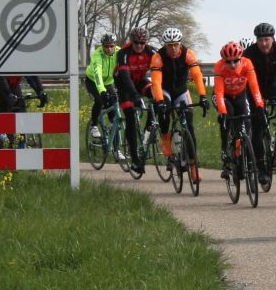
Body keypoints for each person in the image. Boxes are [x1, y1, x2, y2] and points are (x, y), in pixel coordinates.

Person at [150, 27, 209, 181]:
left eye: (176, 44)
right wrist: (160, 101)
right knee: (164, 114)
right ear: (165, 45)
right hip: (165, 90)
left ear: (180, 43)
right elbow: (156, 82)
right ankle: (166, 141)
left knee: (189, 127)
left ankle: (194, 166)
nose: (173, 48)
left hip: (181, 90)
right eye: (169, 45)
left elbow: (196, 75)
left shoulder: (188, 54)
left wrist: (203, 96)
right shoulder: (158, 57)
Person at [212, 41, 265, 181]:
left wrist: (260, 105)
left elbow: (254, 87)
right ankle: (225, 152)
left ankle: (243, 156)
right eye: (229, 62)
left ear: (241, 58)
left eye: (236, 61)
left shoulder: (247, 63)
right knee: (227, 121)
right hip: (225, 97)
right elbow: (218, 92)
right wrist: (222, 112)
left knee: (246, 125)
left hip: (240, 95)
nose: (233, 64)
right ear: (224, 60)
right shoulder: (219, 67)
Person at [114, 27, 157, 173]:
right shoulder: (123, 53)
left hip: (140, 80)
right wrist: (136, 96)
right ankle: (134, 158)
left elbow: (162, 67)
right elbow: (125, 78)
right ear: (131, 42)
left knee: (157, 98)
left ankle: (148, 129)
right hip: (124, 85)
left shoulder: (151, 52)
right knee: (130, 116)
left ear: (146, 42)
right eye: (136, 42)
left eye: (142, 43)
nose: (139, 45)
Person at [84, 33, 118, 140]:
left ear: (115, 45)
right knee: (99, 100)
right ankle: (94, 125)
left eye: (111, 46)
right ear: (102, 46)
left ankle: (115, 147)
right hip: (93, 81)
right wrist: (102, 92)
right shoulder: (97, 55)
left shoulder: (119, 52)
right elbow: (97, 74)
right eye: (106, 46)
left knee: (113, 105)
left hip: (108, 82)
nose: (108, 49)